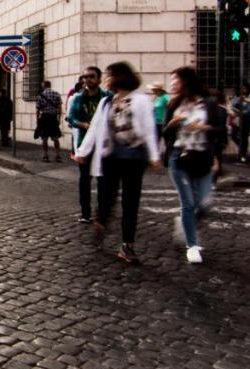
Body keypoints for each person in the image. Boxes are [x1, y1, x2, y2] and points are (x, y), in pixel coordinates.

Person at [75, 61, 161, 265]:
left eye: (109, 75)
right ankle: (100, 224)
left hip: (134, 159)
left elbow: (149, 129)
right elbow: (95, 128)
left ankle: (127, 245)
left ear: (119, 77)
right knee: (106, 199)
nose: (106, 78)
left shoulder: (140, 100)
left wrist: (155, 155)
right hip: (110, 158)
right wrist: (83, 152)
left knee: (131, 203)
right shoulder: (107, 102)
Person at [162, 67, 215, 265]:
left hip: (202, 158)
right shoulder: (173, 104)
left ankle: (185, 224)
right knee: (188, 203)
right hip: (179, 158)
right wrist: (173, 123)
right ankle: (191, 245)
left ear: (185, 81)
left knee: (204, 204)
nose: (171, 84)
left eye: (174, 80)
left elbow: (219, 130)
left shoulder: (207, 104)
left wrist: (203, 127)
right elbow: (165, 134)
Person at [67, 67, 106, 224]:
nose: (87, 79)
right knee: (85, 179)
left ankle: (102, 213)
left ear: (99, 79)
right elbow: (70, 118)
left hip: (103, 143)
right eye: (85, 77)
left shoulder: (107, 97)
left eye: (91, 76)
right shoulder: (77, 98)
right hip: (84, 142)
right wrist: (83, 124)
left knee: (103, 180)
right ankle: (86, 213)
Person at [35, 81, 62, 162]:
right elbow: (60, 109)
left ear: (43, 86)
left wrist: (37, 120)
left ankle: (46, 156)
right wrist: (59, 119)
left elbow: (38, 110)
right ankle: (57, 155)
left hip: (44, 118)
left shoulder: (40, 96)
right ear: (50, 85)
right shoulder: (56, 94)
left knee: (44, 138)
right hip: (53, 118)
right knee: (55, 138)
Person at [232, 83, 250, 162]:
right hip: (237, 119)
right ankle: (242, 149)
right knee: (233, 135)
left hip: (247, 120)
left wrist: (238, 112)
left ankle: (243, 154)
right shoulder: (237, 97)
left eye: (245, 88)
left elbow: (248, 110)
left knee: (244, 137)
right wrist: (239, 100)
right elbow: (233, 106)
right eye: (241, 88)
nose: (243, 90)